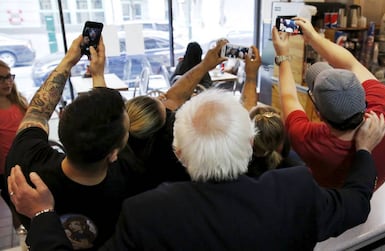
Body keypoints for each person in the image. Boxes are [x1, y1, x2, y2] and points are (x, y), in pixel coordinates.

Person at [8, 88, 385, 250]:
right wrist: (364, 150)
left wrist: (42, 215)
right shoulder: (294, 191)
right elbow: (357, 203)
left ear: (179, 151)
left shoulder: (146, 214)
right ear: (250, 142)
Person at [4, 35, 143, 250]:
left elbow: (39, 111)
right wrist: (98, 75)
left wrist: (69, 60)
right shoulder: (128, 175)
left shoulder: (27, 163)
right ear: (113, 153)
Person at [271, 18, 385, 189]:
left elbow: (288, 97)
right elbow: (351, 63)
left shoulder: (311, 140)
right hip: (375, 189)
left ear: (318, 113)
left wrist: (282, 54)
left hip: (336, 204)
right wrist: (315, 38)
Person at [120, 39, 228, 190]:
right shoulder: (174, 154)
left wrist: (205, 64)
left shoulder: (119, 156)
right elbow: (174, 97)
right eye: (161, 101)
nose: (163, 96)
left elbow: (173, 97)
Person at [240, 45, 302, 177]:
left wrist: (251, 75)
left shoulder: (240, 173)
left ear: (250, 141)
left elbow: (246, 113)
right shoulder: (297, 171)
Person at [0, 59, 28, 229]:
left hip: (27, 162)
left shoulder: (20, 102)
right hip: (5, 171)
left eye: (9, 76)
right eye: (1, 78)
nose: (8, 81)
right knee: (16, 207)